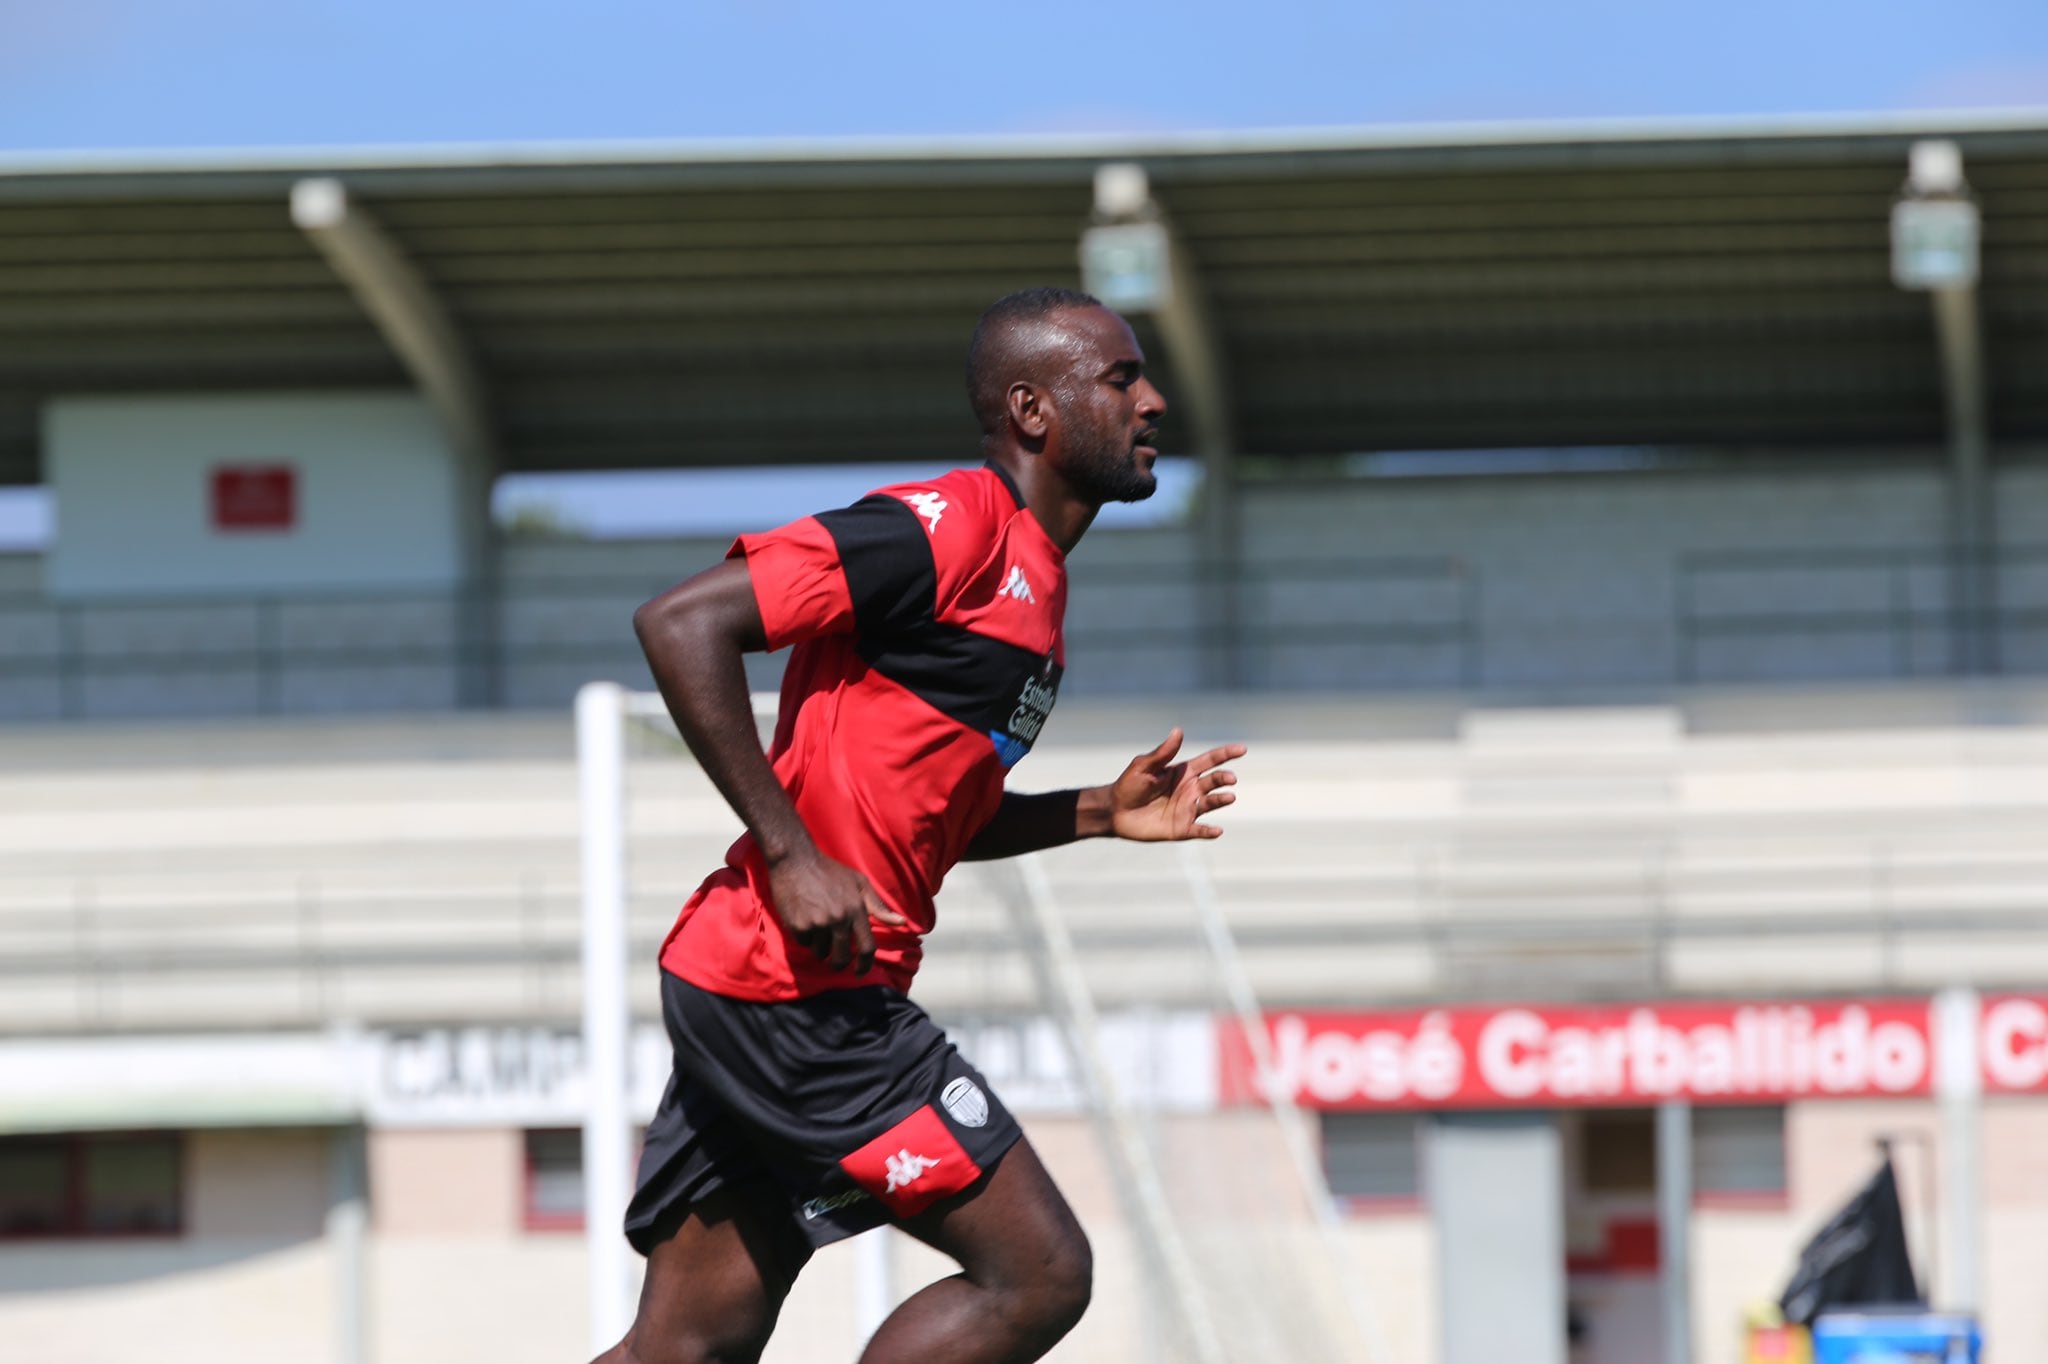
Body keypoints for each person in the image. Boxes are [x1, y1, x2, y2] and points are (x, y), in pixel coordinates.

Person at [603, 286, 1246, 1364]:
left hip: (752, 981)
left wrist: (1095, 811)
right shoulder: (945, 526)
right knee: (1037, 1273)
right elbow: (681, 621)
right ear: (1032, 411)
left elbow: (934, 817)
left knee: (684, 1345)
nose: (1154, 401)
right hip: (798, 991)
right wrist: (789, 851)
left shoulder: (1033, 590)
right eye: (1121, 378)